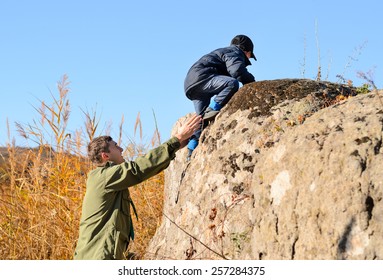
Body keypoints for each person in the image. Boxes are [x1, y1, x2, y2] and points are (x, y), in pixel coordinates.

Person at [73, 114, 202, 260]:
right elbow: (138, 168)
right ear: (105, 156)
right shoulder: (104, 177)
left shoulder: (106, 179)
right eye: (116, 146)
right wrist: (176, 140)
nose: (121, 149)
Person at [184, 34, 257, 158]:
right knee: (231, 83)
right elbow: (237, 71)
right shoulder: (235, 52)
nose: (249, 59)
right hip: (203, 78)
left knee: (200, 120)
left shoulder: (222, 52)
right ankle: (213, 108)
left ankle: (191, 148)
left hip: (191, 84)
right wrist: (252, 84)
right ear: (247, 51)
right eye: (250, 56)